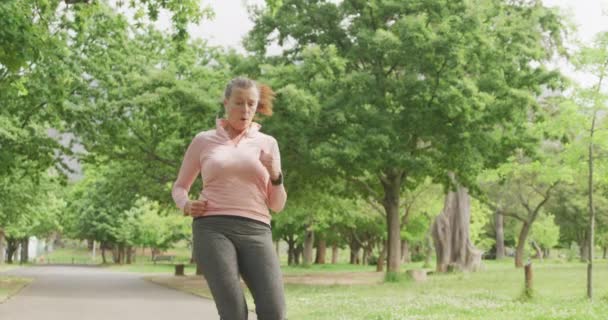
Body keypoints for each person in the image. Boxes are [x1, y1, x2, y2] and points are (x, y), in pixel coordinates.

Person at [171, 77, 287, 320]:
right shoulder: (204, 140)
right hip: (213, 228)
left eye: (251, 104)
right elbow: (180, 187)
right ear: (226, 103)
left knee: (274, 311)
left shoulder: (268, 143)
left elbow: (277, 205)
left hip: (256, 229)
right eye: (239, 103)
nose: (245, 110)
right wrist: (186, 204)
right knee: (233, 312)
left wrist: (275, 175)